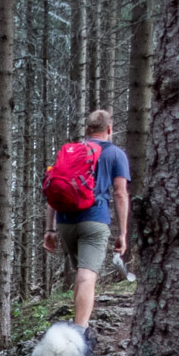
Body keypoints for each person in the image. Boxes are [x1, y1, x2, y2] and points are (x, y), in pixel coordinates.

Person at [42, 108, 131, 334]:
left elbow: (54, 189)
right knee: (87, 276)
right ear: (109, 130)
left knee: (81, 275)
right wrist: (122, 232)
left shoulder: (70, 152)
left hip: (65, 222)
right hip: (94, 220)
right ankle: (80, 334)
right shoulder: (116, 154)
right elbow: (120, 194)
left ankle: (77, 322)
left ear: (88, 130)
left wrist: (49, 229)